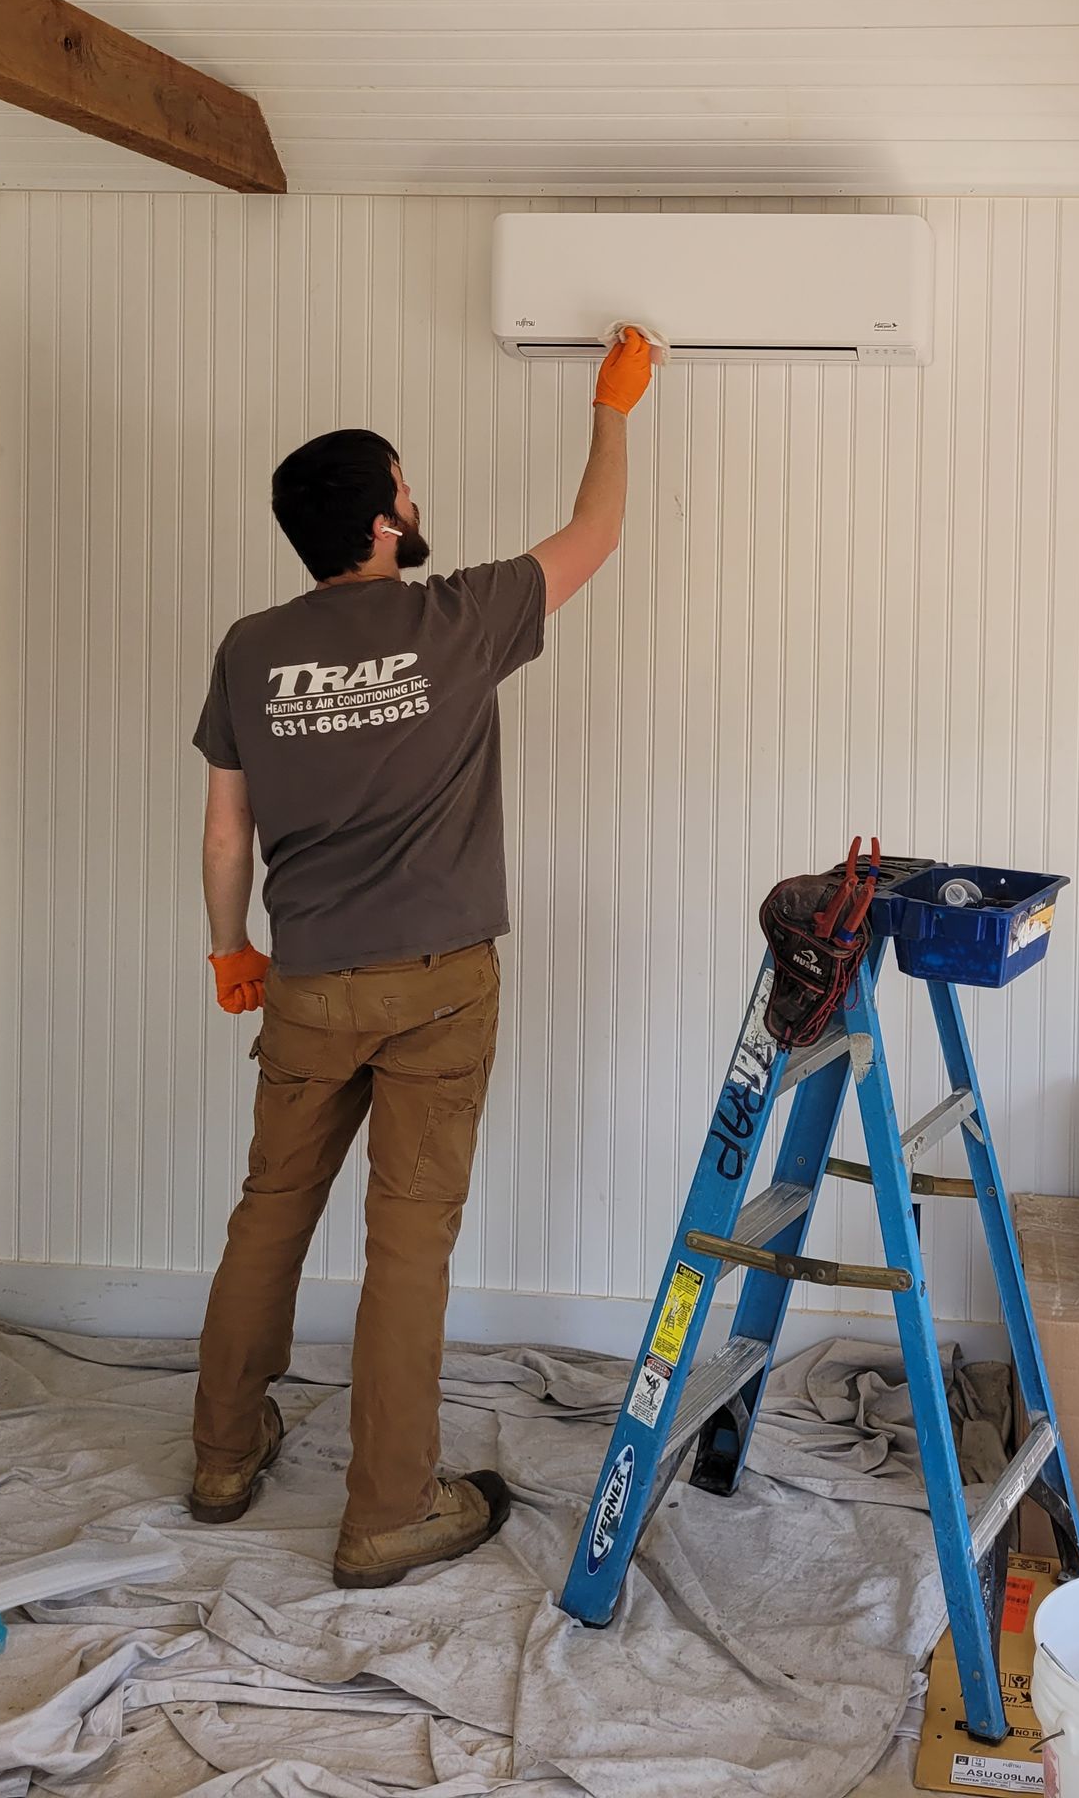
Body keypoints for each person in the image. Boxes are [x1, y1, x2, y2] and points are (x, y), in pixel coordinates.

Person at [186, 328, 655, 1587]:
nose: (416, 495)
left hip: (307, 981)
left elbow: (227, 832)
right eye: (405, 482)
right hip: (440, 987)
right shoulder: (458, 616)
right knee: (407, 1243)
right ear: (385, 522)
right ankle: (389, 1510)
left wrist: (232, 950)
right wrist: (612, 407)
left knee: (270, 1210)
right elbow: (596, 530)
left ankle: (222, 1457)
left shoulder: (248, 647)